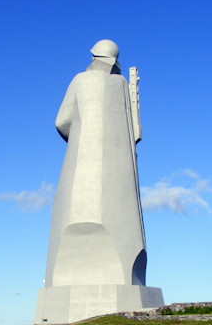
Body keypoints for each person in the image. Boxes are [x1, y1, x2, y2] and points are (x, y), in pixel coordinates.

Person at [44, 40, 147, 289]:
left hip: (79, 165)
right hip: (122, 171)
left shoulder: (80, 80)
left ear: (93, 58)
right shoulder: (122, 84)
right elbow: (135, 131)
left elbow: (61, 121)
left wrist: (80, 135)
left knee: (71, 221)